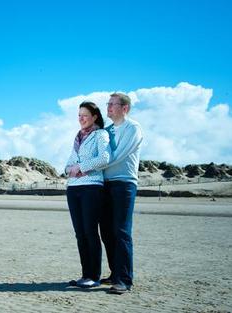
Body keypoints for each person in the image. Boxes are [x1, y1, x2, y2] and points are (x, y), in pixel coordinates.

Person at [99, 93, 143, 294]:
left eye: (112, 104)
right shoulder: (106, 130)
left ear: (125, 108)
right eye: (107, 104)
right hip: (104, 184)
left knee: (121, 230)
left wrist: (92, 165)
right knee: (106, 231)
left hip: (124, 184)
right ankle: (114, 272)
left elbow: (118, 155)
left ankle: (124, 280)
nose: (108, 107)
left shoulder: (132, 128)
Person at [65, 101, 110, 288]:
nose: (81, 118)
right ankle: (85, 275)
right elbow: (68, 164)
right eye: (79, 115)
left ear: (95, 117)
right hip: (73, 188)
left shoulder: (101, 134)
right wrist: (71, 169)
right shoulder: (77, 137)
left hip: (91, 188)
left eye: (85, 115)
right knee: (80, 234)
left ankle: (94, 276)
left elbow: (105, 158)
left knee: (90, 232)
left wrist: (81, 167)